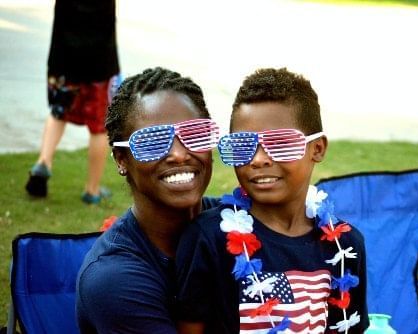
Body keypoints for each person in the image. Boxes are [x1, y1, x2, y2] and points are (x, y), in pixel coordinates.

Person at [176, 68, 369, 333]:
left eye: (281, 144)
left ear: (317, 148)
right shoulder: (208, 239)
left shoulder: (344, 245)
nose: (258, 158)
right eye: (243, 145)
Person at [76, 67, 220, 333]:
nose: (179, 154)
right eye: (152, 141)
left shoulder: (235, 219)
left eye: (194, 134)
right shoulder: (113, 280)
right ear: (122, 160)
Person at [25, 0, 121, 204]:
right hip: (99, 65)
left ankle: (44, 162)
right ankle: (92, 190)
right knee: (99, 128)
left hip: (63, 59)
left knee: (58, 112)